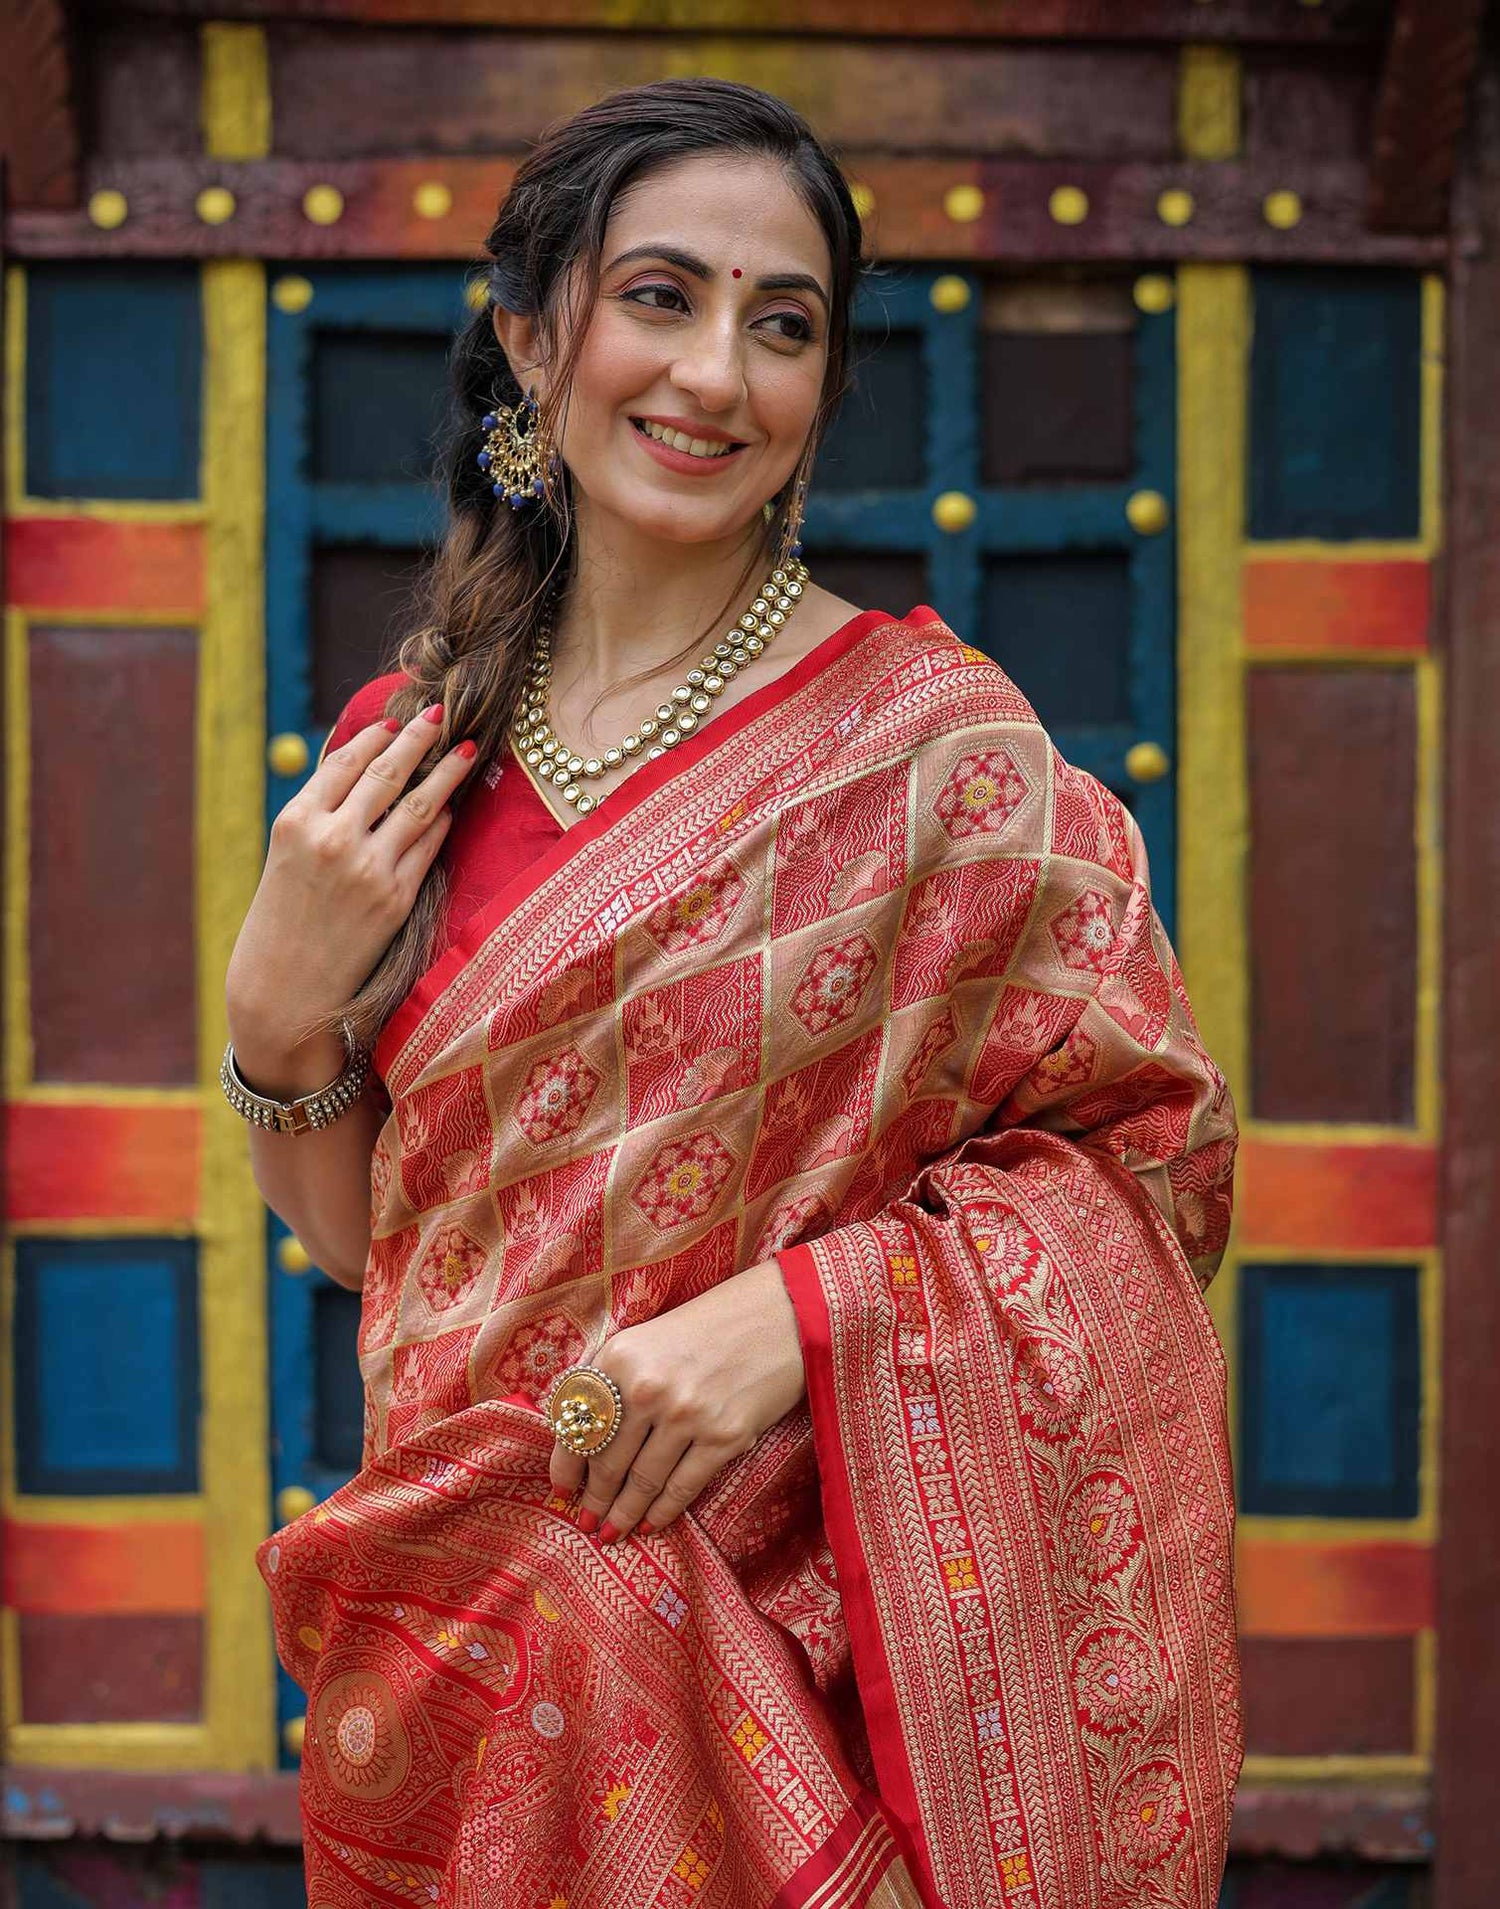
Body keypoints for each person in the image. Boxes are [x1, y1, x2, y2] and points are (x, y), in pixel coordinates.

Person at [226, 77, 1241, 1909]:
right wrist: (277, 1027)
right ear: (536, 342)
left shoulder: (942, 763)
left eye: (782, 326)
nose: (714, 374)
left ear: (820, 399)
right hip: (462, 1670)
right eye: (659, 297)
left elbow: (1147, 1175)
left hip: (795, 1695)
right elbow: (388, 1256)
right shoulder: (414, 750)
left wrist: (811, 1312)